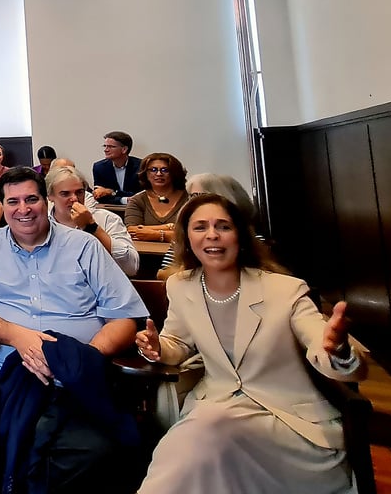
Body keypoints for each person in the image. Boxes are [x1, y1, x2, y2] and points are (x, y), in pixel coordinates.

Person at [136, 194, 366, 493]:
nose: (212, 235)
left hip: (286, 420)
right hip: (215, 407)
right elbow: (178, 342)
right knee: (188, 447)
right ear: (187, 237)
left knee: (197, 441)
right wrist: (157, 348)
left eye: (223, 226)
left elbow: (319, 341)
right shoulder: (181, 285)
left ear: (241, 236)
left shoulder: (285, 289)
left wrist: (337, 348)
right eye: (200, 227)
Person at [0, 167, 148, 493]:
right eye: (13, 202)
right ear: (2, 206)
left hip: (72, 374)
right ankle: (2, 486)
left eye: (31, 199)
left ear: (46, 200)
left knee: (91, 449)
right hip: (2, 367)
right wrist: (17, 336)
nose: (23, 210)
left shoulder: (84, 247)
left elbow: (124, 317)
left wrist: (73, 358)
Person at [45, 166, 139, 276]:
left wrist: (91, 227)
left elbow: (131, 267)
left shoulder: (107, 219)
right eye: (65, 194)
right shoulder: (41, 224)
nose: (74, 198)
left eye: (79, 192)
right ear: (50, 196)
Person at [125, 153, 190, 243]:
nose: (159, 174)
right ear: (145, 173)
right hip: (145, 253)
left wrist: (156, 235)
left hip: (180, 254)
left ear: (174, 173)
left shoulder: (190, 199)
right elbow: (132, 231)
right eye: (153, 170)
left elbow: (192, 233)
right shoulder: (137, 200)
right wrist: (170, 227)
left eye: (165, 170)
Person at [93, 131, 141, 204]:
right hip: (111, 209)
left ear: (124, 149)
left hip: (138, 208)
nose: (106, 150)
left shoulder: (141, 166)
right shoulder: (99, 167)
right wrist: (123, 200)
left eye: (111, 147)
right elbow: (100, 196)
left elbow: (143, 195)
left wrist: (112, 192)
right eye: (105, 146)